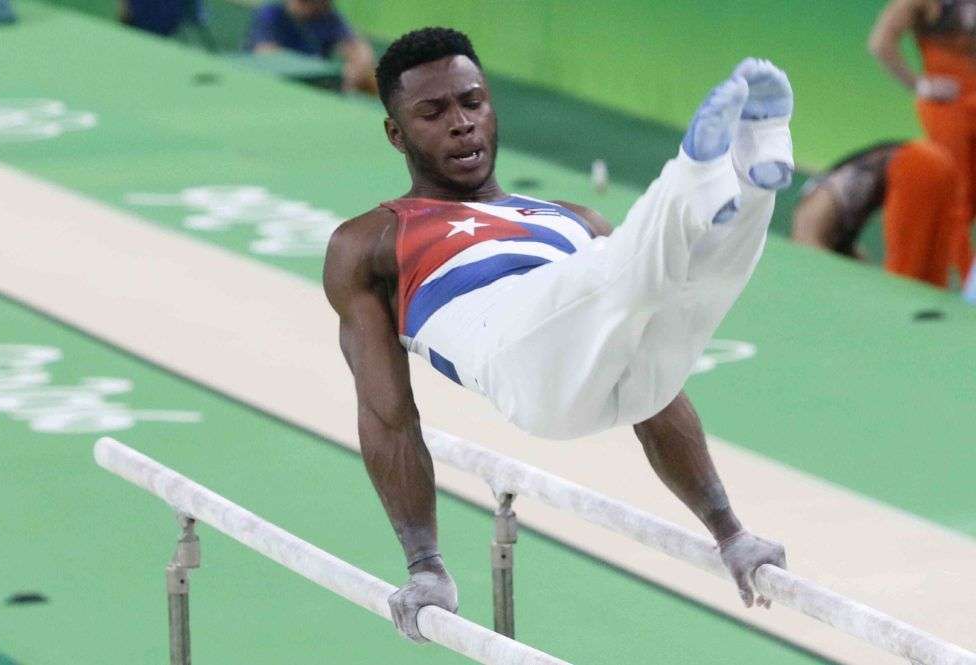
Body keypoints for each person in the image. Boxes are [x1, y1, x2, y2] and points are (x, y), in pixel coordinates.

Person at [323, 28, 793, 642]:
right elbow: (388, 415)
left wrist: (730, 533)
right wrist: (426, 566)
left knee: (692, 290)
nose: (462, 124)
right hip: (521, 361)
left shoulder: (570, 218)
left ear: (492, 104)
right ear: (396, 133)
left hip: (617, 373)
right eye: (433, 113)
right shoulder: (371, 242)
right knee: (620, 273)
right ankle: (693, 178)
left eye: (472, 102)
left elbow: (659, 397)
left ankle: (753, 176)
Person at [869, 0, 976, 284]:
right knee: (958, 196)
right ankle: (968, 283)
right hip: (948, 105)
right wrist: (919, 85)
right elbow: (880, 42)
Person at [793, 139, 962, 287]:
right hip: (937, 160)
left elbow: (814, 262)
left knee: (904, 280)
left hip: (915, 165)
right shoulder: (834, 230)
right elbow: (859, 269)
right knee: (929, 278)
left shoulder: (806, 221)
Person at [245, 0, 376, 94]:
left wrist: (349, 75)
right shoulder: (272, 12)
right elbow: (266, 55)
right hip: (274, 85)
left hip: (315, 88)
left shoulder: (326, 16)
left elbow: (360, 51)